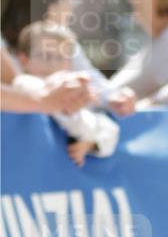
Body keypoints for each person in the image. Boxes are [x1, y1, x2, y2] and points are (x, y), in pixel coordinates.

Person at [13, 22, 119, 165]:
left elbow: (110, 130)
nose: (53, 64)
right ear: (24, 59)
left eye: (60, 58)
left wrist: (91, 143)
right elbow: (36, 92)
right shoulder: (24, 84)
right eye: (44, 56)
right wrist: (66, 103)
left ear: (70, 63)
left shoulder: (75, 96)